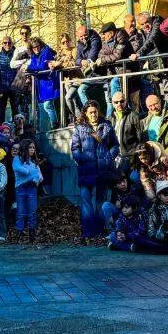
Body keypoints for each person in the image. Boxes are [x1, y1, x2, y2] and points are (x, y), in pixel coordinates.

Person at [71, 101, 118, 241]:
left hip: (103, 169)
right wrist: (83, 158)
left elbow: (115, 145)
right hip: (86, 169)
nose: (93, 114)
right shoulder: (80, 128)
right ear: (85, 113)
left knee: (100, 201)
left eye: (95, 111)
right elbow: (75, 148)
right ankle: (88, 232)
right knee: (86, 201)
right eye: (90, 112)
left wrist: (109, 156)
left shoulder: (107, 126)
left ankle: (99, 231)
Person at [26, 37, 60, 131]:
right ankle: (50, 126)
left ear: (40, 45)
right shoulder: (33, 56)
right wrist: (30, 68)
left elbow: (41, 67)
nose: (36, 49)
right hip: (42, 84)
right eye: (34, 47)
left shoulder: (46, 52)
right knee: (45, 107)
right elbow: (32, 66)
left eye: (37, 46)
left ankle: (55, 125)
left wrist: (31, 69)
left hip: (50, 81)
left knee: (48, 105)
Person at [13, 139, 42, 242]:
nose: (32, 150)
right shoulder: (17, 159)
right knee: (21, 212)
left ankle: (32, 234)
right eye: (30, 147)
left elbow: (39, 177)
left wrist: (37, 179)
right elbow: (20, 170)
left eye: (33, 148)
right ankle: (19, 233)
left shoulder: (34, 162)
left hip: (32, 188)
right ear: (25, 148)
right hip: (21, 189)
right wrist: (31, 173)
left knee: (32, 211)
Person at [110, 90, 142, 168]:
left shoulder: (134, 116)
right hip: (115, 157)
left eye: (122, 101)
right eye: (116, 102)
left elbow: (140, 139)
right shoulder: (110, 118)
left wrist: (134, 155)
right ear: (112, 103)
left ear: (126, 101)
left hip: (130, 157)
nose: (119, 104)